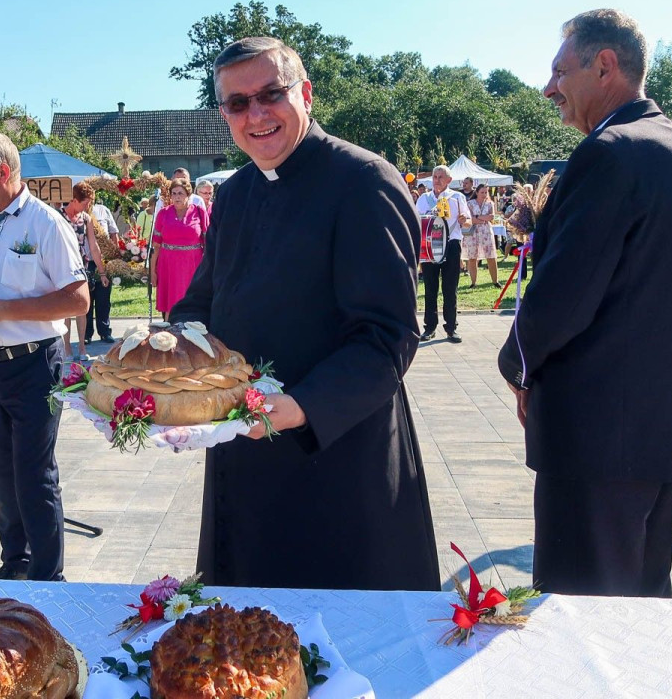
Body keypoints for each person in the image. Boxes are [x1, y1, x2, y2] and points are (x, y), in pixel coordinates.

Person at [170, 36, 439, 591]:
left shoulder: (365, 181)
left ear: (307, 93)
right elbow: (204, 301)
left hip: (339, 459)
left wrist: (296, 407)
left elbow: (387, 336)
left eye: (271, 93)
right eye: (237, 104)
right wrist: (167, 352)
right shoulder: (236, 192)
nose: (256, 114)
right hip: (244, 456)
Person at [497, 9, 672, 598]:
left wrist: (516, 364)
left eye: (559, 71)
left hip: (596, 438)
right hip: (656, 429)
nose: (548, 90)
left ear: (606, 65)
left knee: (581, 625)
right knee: (640, 611)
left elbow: (565, 297)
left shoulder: (608, 152)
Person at [0, 130, 89, 581]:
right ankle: (16, 563)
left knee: (33, 476)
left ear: (3, 171)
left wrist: (4, 310)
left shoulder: (46, 223)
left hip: (34, 364)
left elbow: (78, 300)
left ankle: (49, 576)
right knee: (2, 476)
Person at [415, 165, 472, 343]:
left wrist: (465, 220)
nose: (437, 180)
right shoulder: (424, 199)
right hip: (430, 247)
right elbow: (415, 222)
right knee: (430, 287)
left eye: (441, 177)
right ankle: (429, 327)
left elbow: (469, 222)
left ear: (449, 180)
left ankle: (451, 328)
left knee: (450, 288)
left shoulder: (457, 197)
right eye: (434, 176)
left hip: (451, 245)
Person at [62, 183, 108, 361]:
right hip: (62, 266)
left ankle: (81, 347)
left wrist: (102, 272)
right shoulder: (59, 217)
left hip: (82, 266)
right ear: (74, 200)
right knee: (65, 309)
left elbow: (93, 246)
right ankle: (67, 348)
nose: (88, 206)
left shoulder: (86, 219)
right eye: (85, 203)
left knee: (82, 307)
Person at [150, 178, 208, 320]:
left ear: (188, 195)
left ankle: (194, 335)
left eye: (180, 193)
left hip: (193, 265)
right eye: (174, 193)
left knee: (193, 303)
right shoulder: (163, 214)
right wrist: (152, 271)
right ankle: (169, 336)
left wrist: (209, 270)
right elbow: (156, 247)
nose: (177, 197)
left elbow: (208, 245)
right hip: (168, 266)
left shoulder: (200, 213)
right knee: (171, 305)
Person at [87, 199, 118, 345]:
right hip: (86, 261)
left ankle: (104, 332)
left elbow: (113, 233)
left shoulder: (103, 209)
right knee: (87, 300)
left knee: (103, 300)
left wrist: (115, 255)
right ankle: (86, 334)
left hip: (104, 261)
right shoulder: (78, 211)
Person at [464, 183, 500, 287]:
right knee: (472, 257)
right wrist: (482, 218)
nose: (484, 194)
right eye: (482, 192)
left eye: (486, 192)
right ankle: (473, 282)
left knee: (491, 256)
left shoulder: (490, 204)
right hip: (473, 232)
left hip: (486, 232)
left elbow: (491, 217)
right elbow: (470, 219)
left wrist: (478, 216)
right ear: (477, 192)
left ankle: (495, 281)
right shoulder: (470, 203)